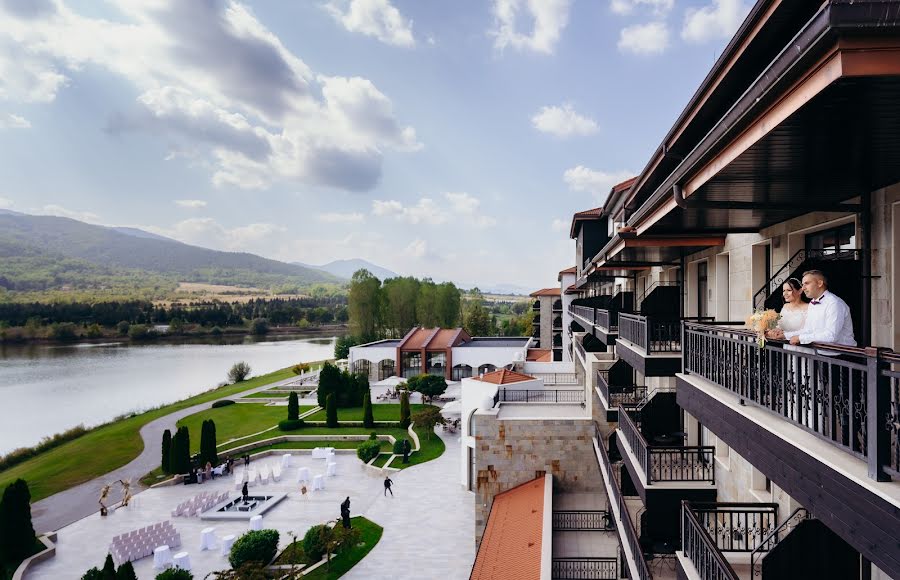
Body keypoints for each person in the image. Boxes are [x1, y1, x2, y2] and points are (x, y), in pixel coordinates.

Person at [771, 270, 855, 349]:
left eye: (807, 283)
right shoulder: (812, 303)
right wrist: (785, 335)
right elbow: (808, 330)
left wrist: (800, 338)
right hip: (820, 354)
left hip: (841, 357)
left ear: (819, 283)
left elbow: (831, 336)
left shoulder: (834, 303)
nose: (803, 288)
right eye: (803, 284)